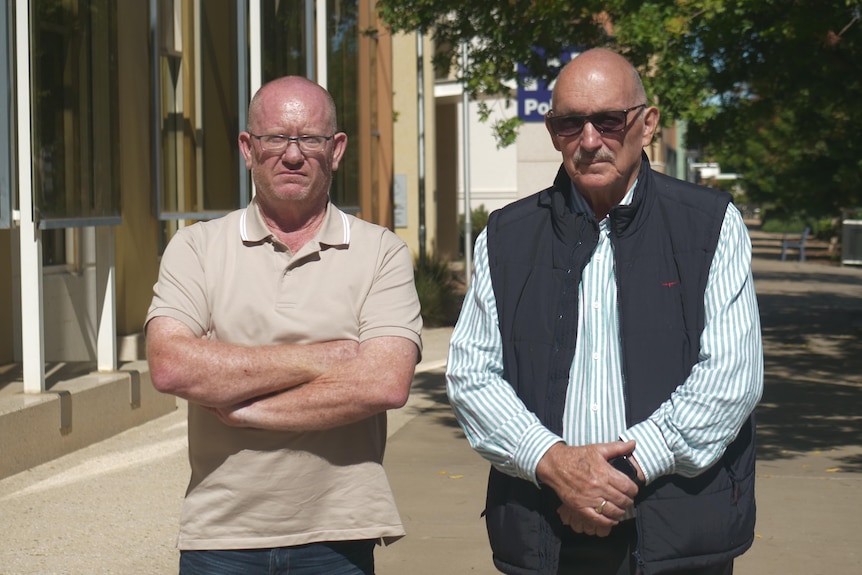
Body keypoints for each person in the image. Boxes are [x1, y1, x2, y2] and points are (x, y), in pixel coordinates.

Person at [446, 48, 763, 575]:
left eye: (609, 120)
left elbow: (731, 378)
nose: (590, 140)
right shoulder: (506, 237)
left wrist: (623, 473)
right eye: (571, 123)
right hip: (545, 529)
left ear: (647, 123)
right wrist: (555, 465)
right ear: (551, 131)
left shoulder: (711, 226)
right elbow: (472, 376)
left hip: (678, 536)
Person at [145, 76, 422, 575]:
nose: (292, 155)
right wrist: (329, 356)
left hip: (339, 533)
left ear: (335, 150)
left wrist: (241, 405)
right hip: (221, 535)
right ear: (248, 148)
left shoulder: (381, 251)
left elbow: (384, 381)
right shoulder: (196, 248)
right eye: (275, 138)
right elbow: (170, 366)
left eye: (309, 139)